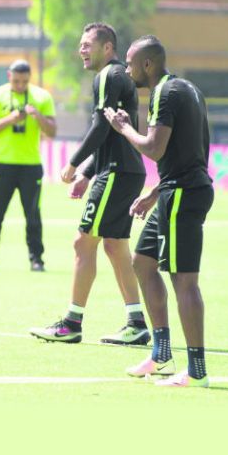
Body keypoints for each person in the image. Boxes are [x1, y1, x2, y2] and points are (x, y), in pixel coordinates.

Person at [28, 22, 150, 345]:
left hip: (117, 172)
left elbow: (100, 126)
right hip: (125, 170)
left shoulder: (108, 75)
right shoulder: (117, 77)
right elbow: (112, 132)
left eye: (87, 44)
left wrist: (74, 163)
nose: (81, 50)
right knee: (114, 245)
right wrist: (87, 173)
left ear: (107, 48)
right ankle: (136, 323)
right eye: (80, 45)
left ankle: (71, 323)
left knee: (84, 243)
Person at [103, 35, 214, 387]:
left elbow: (153, 148)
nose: (127, 68)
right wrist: (156, 192)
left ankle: (197, 372)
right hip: (175, 190)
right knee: (143, 262)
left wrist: (123, 129)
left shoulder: (165, 93)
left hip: (184, 194)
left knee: (184, 280)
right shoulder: (187, 88)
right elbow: (193, 151)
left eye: (131, 62)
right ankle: (161, 351)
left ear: (147, 64)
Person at [0, 60, 57, 271]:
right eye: (16, 81)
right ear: (8, 76)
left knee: (33, 214)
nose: (20, 85)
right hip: (2, 164)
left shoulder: (42, 97)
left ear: (29, 78)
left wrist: (37, 115)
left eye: (24, 81)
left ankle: (36, 259)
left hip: (30, 165)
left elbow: (52, 131)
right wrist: (9, 119)